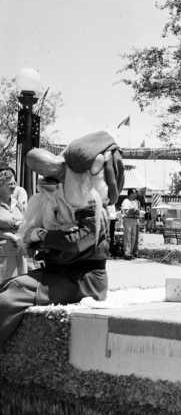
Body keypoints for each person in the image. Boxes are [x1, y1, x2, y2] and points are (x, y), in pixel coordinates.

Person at [0, 131, 124, 346]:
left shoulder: (93, 208)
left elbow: (75, 241)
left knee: (9, 297)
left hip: (83, 280)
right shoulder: (59, 204)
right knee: (8, 286)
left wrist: (42, 236)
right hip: (57, 274)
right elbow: (38, 240)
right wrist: (37, 238)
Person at [0, 168, 27, 280]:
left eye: (14, 183)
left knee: (20, 287)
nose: (14, 186)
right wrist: (11, 236)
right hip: (3, 255)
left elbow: (26, 220)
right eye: (10, 183)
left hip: (20, 253)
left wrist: (22, 223)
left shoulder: (17, 204)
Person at [121, 189, 140, 259]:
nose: (136, 195)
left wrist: (136, 212)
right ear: (130, 194)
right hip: (128, 220)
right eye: (134, 193)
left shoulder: (135, 202)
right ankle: (127, 253)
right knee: (128, 236)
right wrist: (132, 211)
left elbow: (138, 211)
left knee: (133, 237)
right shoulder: (126, 201)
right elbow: (125, 212)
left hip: (134, 220)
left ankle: (131, 252)